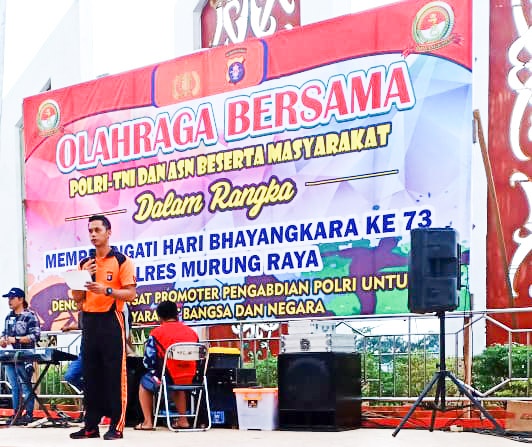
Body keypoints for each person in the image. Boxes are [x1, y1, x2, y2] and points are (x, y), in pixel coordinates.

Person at [69, 215, 136, 441]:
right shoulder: (84, 263)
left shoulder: (121, 260)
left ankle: (116, 426)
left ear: (108, 232)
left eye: (97, 230)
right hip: (89, 321)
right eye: (90, 231)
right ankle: (90, 426)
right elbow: (77, 298)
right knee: (91, 375)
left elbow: (131, 294)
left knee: (114, 375)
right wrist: (84, 276)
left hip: (111, 320)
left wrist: (106, 290)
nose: (93, 234)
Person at [134, 300, 198, 431]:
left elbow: (148, 360)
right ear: (177, 314)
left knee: (144, 382)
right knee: (178, 385)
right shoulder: (192, 332)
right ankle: (183, 420)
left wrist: (154, 371)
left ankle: (147, 422)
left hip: (168, 377)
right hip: (190, 377)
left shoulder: (157, 333)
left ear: (159, 317)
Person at [0, 287, 41, 425]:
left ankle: (28, 414)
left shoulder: (30, 315)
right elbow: (5, 334)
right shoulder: (8, 317)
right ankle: (16, 413)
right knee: (14, 385)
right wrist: (3, 340)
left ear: (21, 299)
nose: (9, 301)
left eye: (12, 298)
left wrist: (16, 339)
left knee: (25, 385)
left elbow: (35, 335)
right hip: (10, 356)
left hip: (25, 356)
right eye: (8, 299)